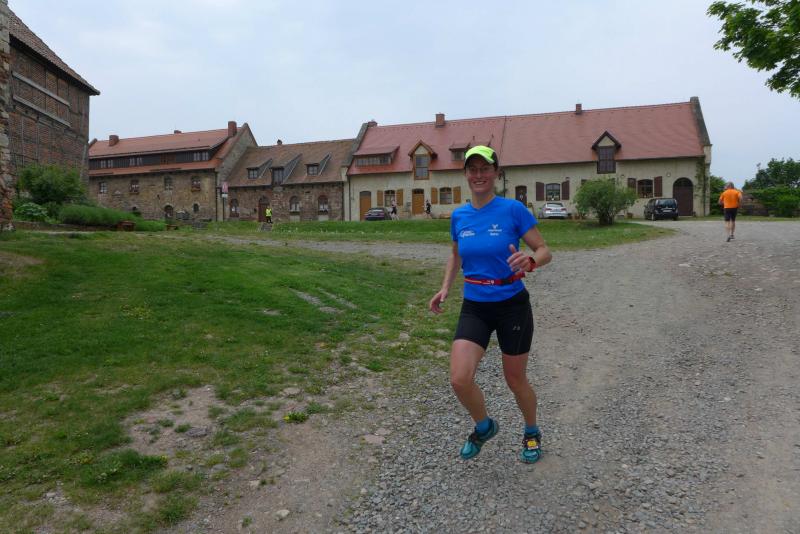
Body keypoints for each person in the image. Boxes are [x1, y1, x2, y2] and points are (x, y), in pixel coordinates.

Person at [429, 145, 552, 464]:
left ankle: (531, 431)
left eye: (485, 168)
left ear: (496, 172)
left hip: (512, 304)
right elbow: (456, 255)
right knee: (459, 378)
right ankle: (484, 427)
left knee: (515, 380)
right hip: (476, 305)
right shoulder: (459, 216)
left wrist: (530, 261)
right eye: (473, 169)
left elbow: (544, 250)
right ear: (466, 174)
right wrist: (445, 287)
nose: (479, 174)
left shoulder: (513, 210)